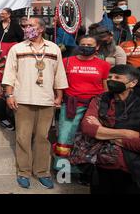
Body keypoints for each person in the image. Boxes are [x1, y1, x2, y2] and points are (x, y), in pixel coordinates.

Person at [2, 17, 68, 189]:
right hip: (23, 99)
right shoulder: (17, 48)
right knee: (23, 137)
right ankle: (23, 172)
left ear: (40, 29)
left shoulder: (53, 48)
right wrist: (9, 95)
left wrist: (59, 95)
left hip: (46, 100)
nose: (26, 28)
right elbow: (9, 73)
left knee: (43, 138)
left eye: (30, 26)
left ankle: (42, 172)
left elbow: (59, 74)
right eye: (25, 26)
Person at [74, 65, 140, 194]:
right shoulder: (100, 99)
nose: (111, 80)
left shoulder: (137, 104)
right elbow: (88, 128)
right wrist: (127, 133)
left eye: (117, 77)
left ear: (133, 83)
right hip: (101, 165)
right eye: (109, 77)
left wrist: (103, 131)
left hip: (131, 168)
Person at [53, 35, 110, 182]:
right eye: (83, 44)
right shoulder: (66, 62)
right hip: (71, 105)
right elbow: (58, 83)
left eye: (90, 44)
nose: (86, 46)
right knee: (65, 137)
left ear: (97, 47)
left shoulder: (103, 65)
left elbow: (105, 88)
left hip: (94, 106)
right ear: (78, 45)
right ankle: (63, 173)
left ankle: (85, 172)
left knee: (88, 140)